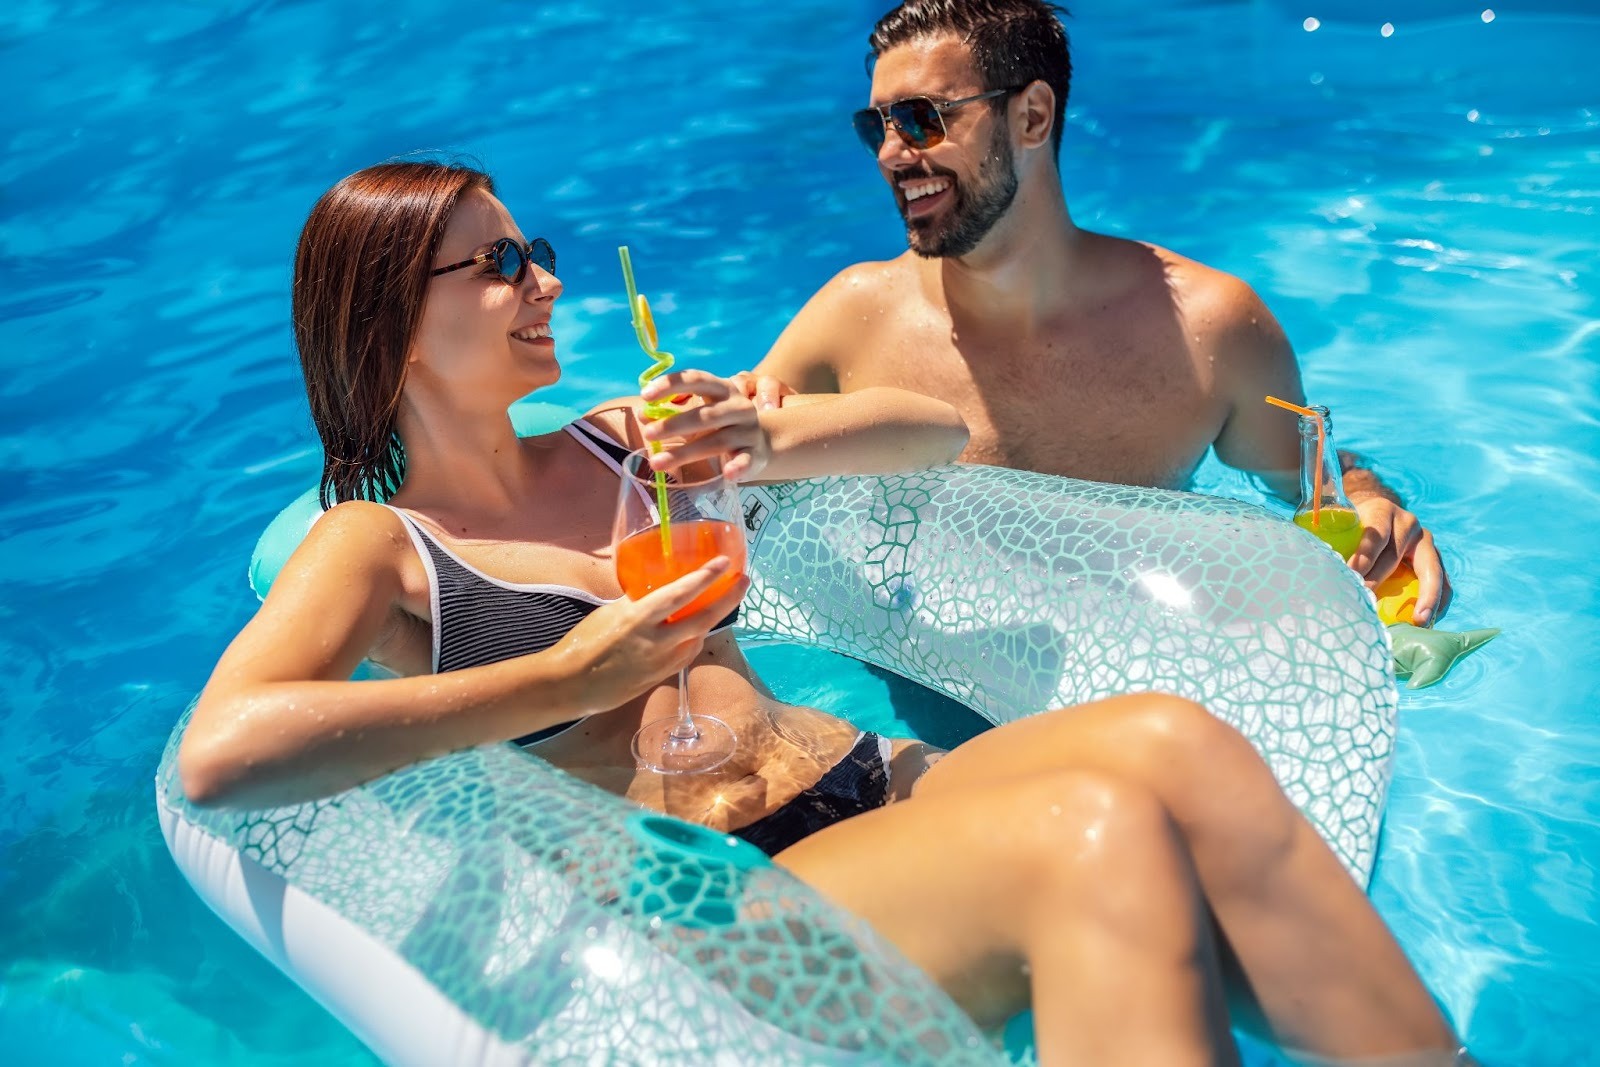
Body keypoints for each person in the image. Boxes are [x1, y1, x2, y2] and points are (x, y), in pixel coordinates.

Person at [177, 160, 1466, 1065]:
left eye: (544, 255)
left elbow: (930, 430)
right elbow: (224, 752)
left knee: (1178, 746)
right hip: (725, 888)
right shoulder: (377, 548)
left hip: (868, 781)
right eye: (503, 263)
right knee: (1094, 834)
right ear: (396, 318)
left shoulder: (631, 444)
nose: (545, 283)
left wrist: (760, 431)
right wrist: (566, 679)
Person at [751, 0, 1452, 626]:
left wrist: (1370, 509)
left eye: (920, 120)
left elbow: (1313, 481)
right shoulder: (852, 315)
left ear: (1031, 116)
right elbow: (714, 478)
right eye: (874, 126)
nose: (891, 154)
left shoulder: (1211, 329)